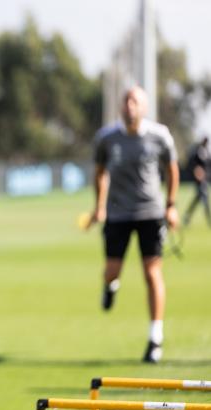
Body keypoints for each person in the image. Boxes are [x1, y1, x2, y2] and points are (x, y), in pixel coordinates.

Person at [88, 86, 179, 364]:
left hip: (150, 213)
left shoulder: (160, 136)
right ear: (120, 107)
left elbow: (171, 169)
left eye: (135, 101)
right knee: (111, 271)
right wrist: (99, 206)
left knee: (152, 275)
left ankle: (155, 338)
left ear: (144, 107)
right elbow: (100, 172)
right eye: (125, 100)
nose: (129, 106)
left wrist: (171, 205)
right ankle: (110, 287)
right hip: (117, 214)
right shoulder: (106, 139)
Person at [182, 136, 210, 227]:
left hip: (204, 179)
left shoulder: (206, 152)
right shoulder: (197, 151)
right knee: (204, 198)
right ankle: (209, 219)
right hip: (199, 180)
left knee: (198, 198)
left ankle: (187, 216)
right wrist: (196, 170)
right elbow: (191, 164)